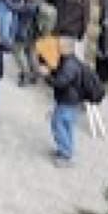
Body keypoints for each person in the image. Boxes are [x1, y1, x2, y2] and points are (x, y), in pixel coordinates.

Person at [42, 38, 83, 167]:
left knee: (57, 124)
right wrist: (51, 71)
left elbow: (60, 82)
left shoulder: (69, 65)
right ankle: (65, 150)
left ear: (67, 48)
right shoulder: (68, 60)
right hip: (71, 100)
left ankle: (65, 155)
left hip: (67, 101)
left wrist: (46, 75)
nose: (57, 48)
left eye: (60, 46)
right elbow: (60, 74)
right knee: (66, 126)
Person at [7, 0, 41, 86]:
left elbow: (13, 7)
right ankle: (35, 74)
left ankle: (25, 74)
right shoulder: (39, 1)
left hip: (24, 33)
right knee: (31, 52)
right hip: (34, 32)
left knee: (17, 52)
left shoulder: (30, 6)